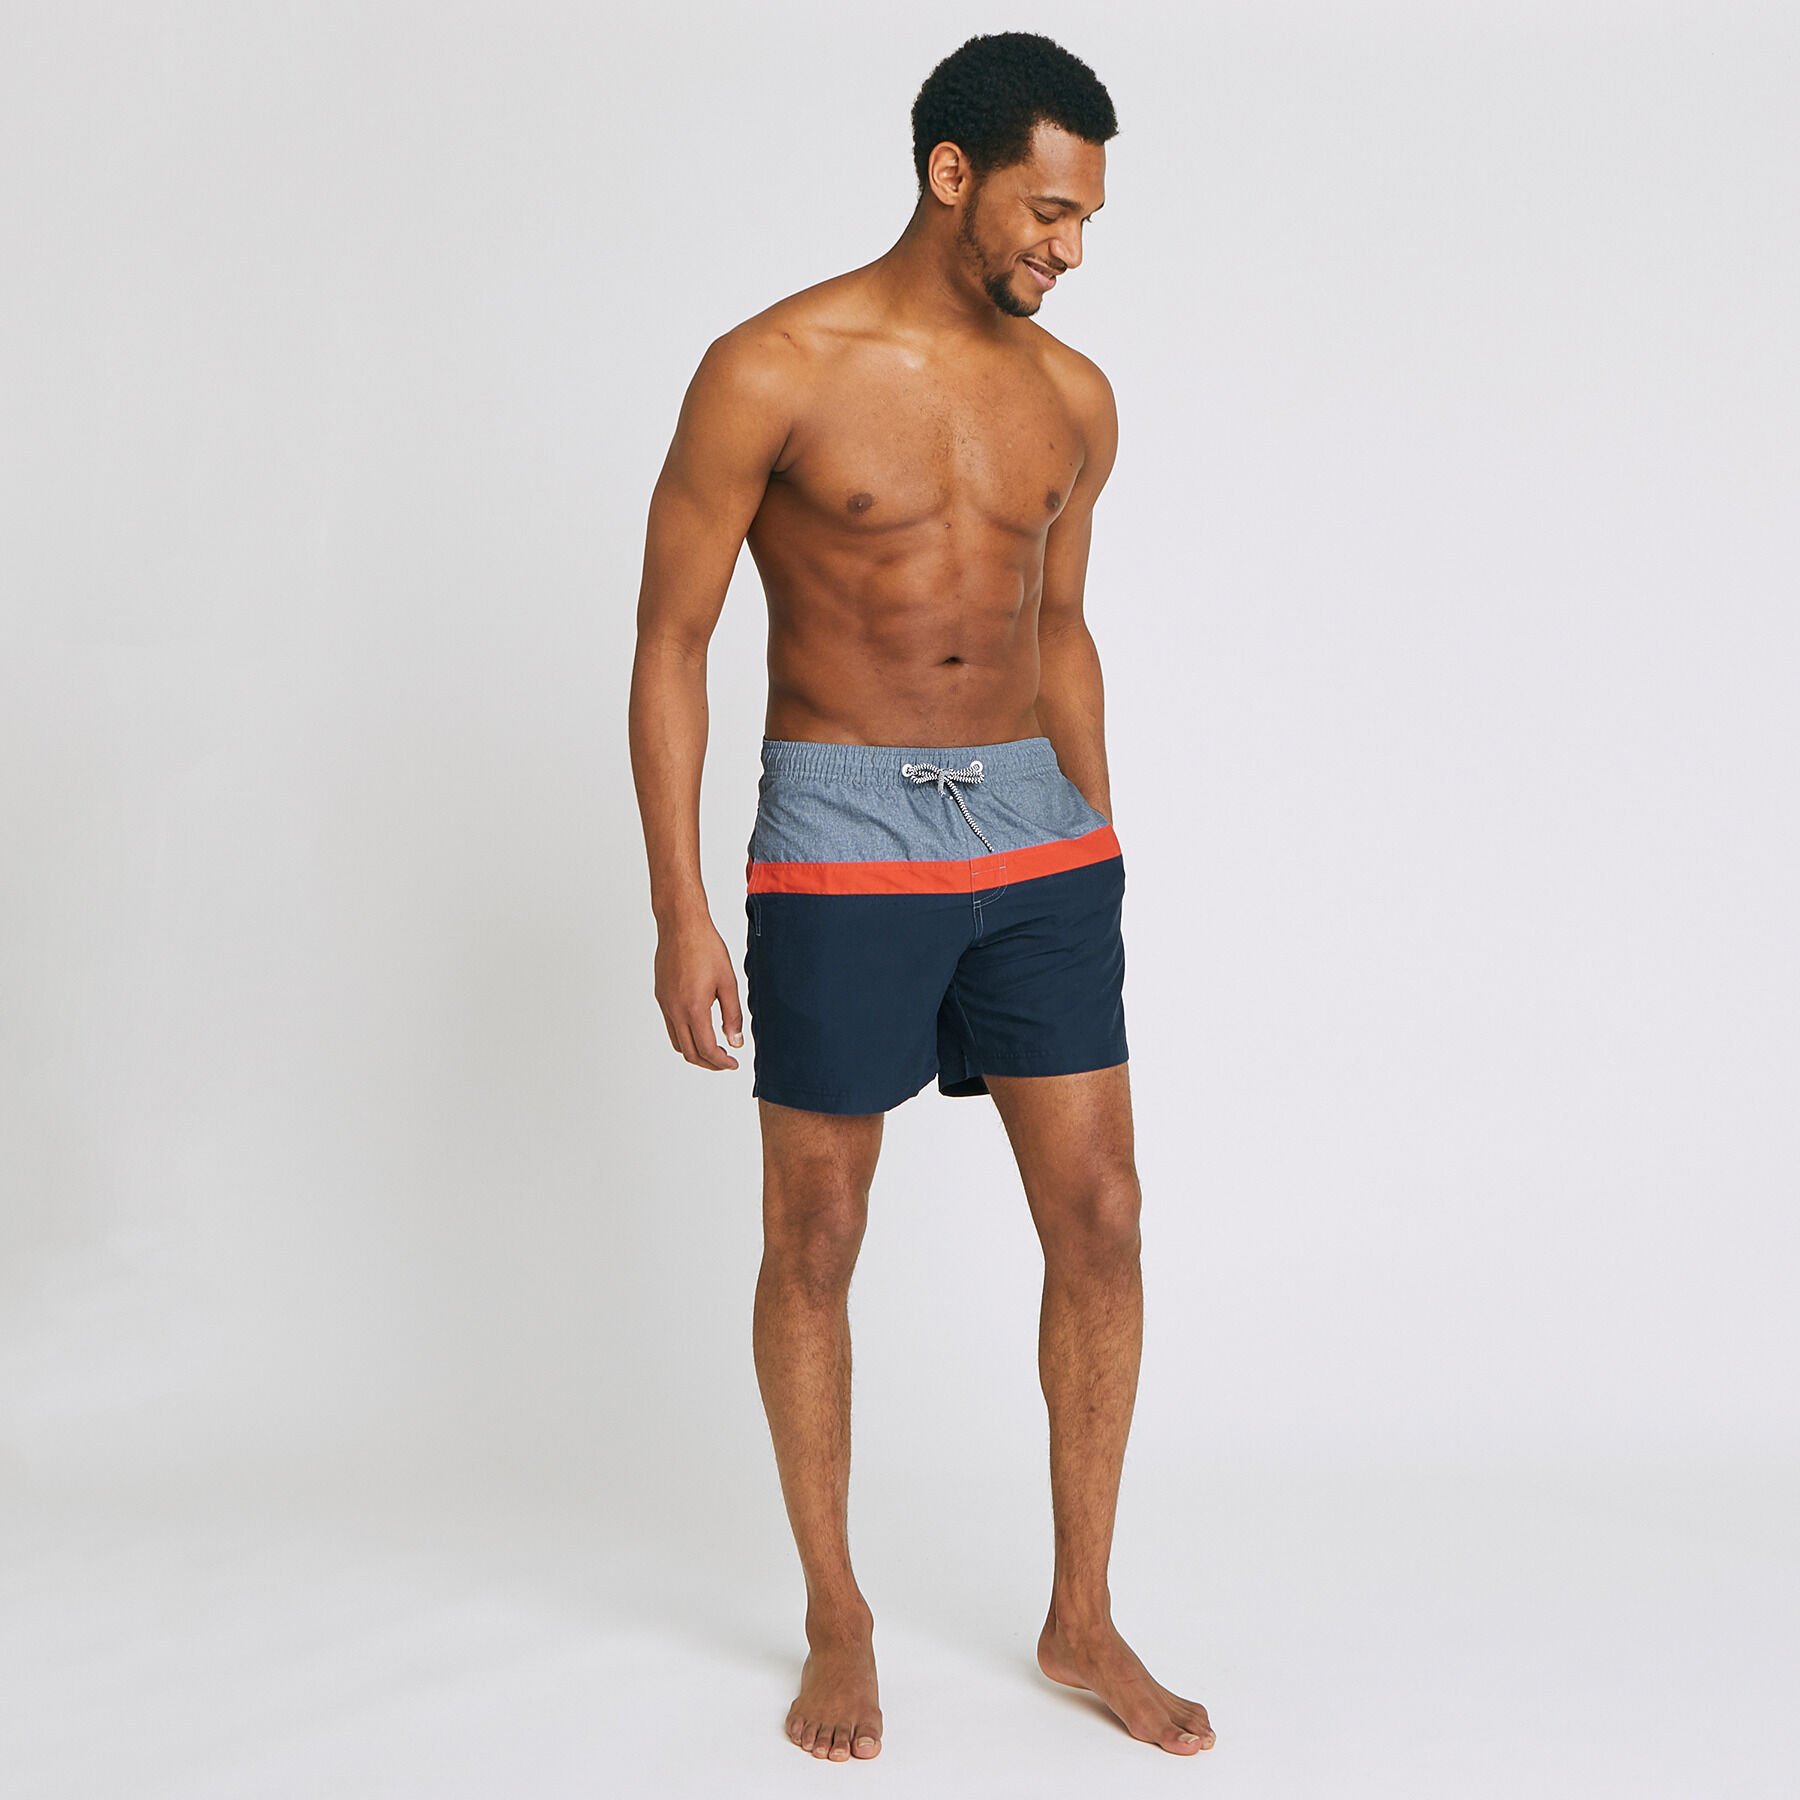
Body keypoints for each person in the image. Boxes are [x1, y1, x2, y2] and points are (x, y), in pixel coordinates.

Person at [628, 29, 1215, 1765]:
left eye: (1088, 218)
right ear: (951, 175)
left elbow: (1061, 628)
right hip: (840, 828)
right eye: (1049, 210)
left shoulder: (1074, 399)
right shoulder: (770, 368)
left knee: (1102, 1216)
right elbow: (671, 639)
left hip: (1035, 832)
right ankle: (838, 1613)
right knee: (816, 1234)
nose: (1072, 248)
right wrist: (680, 907)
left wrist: (1097, 833)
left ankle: (1081, 1614)